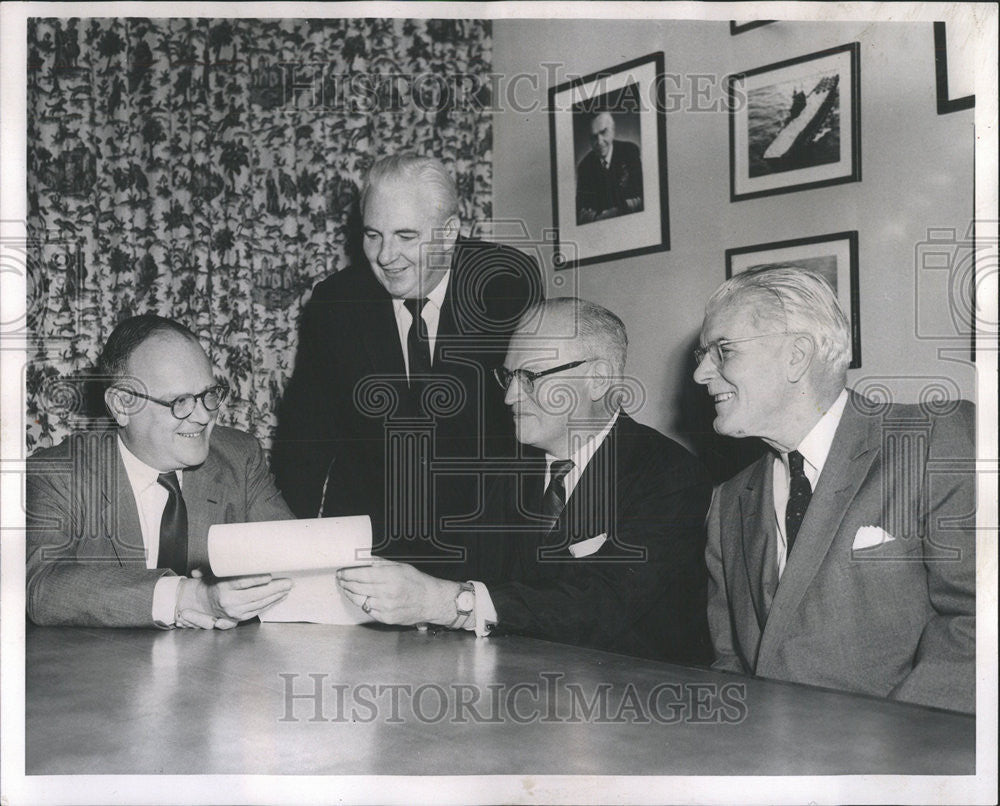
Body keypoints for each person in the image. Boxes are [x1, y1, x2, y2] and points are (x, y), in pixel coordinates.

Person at [336, 298, 713, 664]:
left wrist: (452, 604)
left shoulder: (668, 474)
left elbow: (600, 603)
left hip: (638, 706)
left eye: (530, 377)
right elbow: (447, 562)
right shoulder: (504, 470)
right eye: (508, 377)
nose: (510, 396)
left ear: (597, 380)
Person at [694, 266, 975, 713]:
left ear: (796, 355)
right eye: (702, 354)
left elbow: (979, 623)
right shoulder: (729, 500)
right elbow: (730, 662)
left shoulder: (932, 441)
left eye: (722, 350)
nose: (701, 373)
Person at [273, 154, 542, 579]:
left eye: (405, 235)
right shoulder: (336, 303)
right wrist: (290, 556)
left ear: (450, 231)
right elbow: (304, 439)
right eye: (373, 235)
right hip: (376, 545)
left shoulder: (504, 283)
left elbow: (530, 425)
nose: (385, 256)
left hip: (488, 540)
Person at [26, 314, 294, 629]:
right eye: (179, 401)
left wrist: (358, 581)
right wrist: (186, 597)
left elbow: (294, 560)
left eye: (209, 395)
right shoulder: (59, 473)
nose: (202, 416)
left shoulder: (239, 456)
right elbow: (40, 587)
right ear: (122, 405)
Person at [575, 111, 644, 225]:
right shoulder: (585, 167)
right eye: (593, 137)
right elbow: (580, 212)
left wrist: (619, 211)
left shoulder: (630, 152)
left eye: (603, 132)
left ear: (613, 131)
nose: (599, 142)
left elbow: (645, 197)